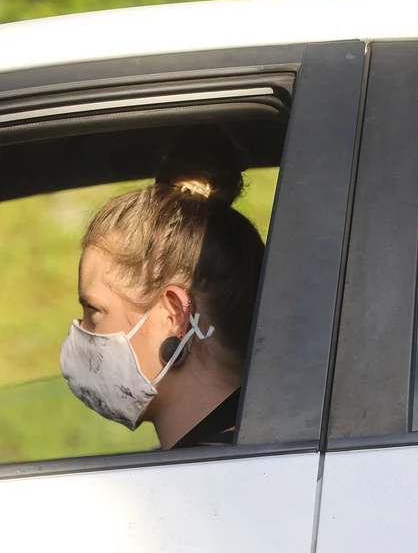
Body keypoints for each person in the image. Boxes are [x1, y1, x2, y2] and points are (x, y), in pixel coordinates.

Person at [59, 126, 264, 449]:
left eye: (94, 310)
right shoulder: (262, 454)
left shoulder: (202, 487)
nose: (80, 330)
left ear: (174, 317)